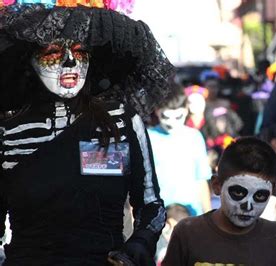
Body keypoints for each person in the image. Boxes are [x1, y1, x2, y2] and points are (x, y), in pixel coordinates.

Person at [0, 2, 174, 265]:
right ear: (30, 58)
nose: (70, 62)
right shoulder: (9, 132)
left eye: (80, 51)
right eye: (54, 52)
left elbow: (151, 205)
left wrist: (139, 244)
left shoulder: (121, 122)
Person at [162, 137, 276, 266]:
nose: (248, 206)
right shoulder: (188, 233)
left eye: (259, 196)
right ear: (217, 185)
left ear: (272, 191)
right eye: (238, 192)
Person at [148, 87, 212, 216]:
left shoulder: (194, 136)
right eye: (166, 117)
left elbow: (201, 180)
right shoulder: (148, 137)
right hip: (158, 214)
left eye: (178, 117)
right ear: (157, 111)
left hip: (192, 213)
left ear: (186, 110)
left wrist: (208, 215)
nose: (172, 123)